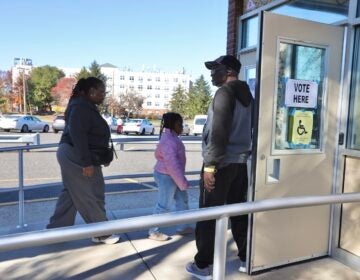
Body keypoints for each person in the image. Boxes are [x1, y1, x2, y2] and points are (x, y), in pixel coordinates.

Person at [186, 55, 253, 279]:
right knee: (238, 212)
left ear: (229, 72)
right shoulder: (247, 95)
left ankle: (202, 264)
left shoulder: (225, 93)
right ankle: (246, 257)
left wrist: (210, 167)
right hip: (240, 163)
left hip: (221, 164)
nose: (212, 74)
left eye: (216, 69)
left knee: (208, 215)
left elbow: (219, 132)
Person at [47, 77, 120, 245]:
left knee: (73, 194)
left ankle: (56, 231)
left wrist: (100, 155)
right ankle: (101, 232)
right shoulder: (80, 107)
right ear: (91, 92)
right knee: (88, 194)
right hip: (76, 155)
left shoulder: (85, 106)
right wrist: (86, 163)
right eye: (102, 92)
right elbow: (78, 135)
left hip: (80, 154)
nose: (104, 95)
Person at [148, 112, 193, 241]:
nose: (182, 127)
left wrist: (181, 181)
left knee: (182, 200)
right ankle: (153, 231)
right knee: (164, 204)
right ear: (172, 125)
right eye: (179, 124)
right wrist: (182, 182)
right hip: (166, 176)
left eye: (182, 124)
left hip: (173, 175)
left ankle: (183, 226)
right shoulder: (169, 140)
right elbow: (172, 165)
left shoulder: (171, 137)